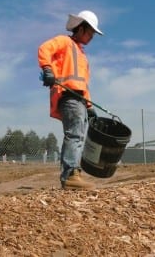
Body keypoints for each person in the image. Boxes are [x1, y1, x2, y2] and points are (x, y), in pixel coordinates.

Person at [38, 10, 103, 190]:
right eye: (90, 32)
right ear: (81, 28)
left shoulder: (82, 57)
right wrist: (48, 70)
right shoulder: (65, 42)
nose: (92, 37)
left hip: (79, 99)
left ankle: (74, 174)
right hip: (68, 97)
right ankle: (70, 175)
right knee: (74, 134)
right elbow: (44, 49)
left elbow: (84, 85)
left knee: (79, 135)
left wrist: (89, 106)